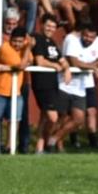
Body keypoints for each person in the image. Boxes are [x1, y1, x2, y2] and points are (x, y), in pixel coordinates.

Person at [48, 20, 98, 150]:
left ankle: (54, 138)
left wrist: (94, 66)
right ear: (81, 33)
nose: (88, 39)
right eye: (86, 36)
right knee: (62, 117)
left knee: (78, 119)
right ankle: (53, 145)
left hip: (80, 86)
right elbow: (74, 62)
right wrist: (93, 68)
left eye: (91, 37)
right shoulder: (71, 39)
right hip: (65, 83)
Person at [0, 26, 32, 154]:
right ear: (10, 39)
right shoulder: (5, 48)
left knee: (15, 119)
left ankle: (9, 147)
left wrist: (26, 51)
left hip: (15, 91)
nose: (17, 44)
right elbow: (21, 65)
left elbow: (30, 61)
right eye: (14, 41)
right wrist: (28, 48)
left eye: (20, 41)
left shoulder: (24, 49)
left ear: (24, 40)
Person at [29, 17, 69, 153]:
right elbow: (39, 61)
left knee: (44, 117)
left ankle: (39, 148)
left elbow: (61, 59)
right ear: (41, 25)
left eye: (53, 26)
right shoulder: (38, 39)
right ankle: (48, 142)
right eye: (48, 26)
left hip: (52, 83)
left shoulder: (52, 42)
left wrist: (67, 69)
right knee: (53, 117)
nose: (50, 29)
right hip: (42, 84)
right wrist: (55, 65)